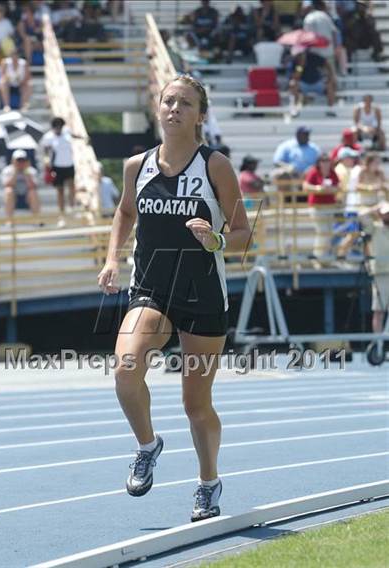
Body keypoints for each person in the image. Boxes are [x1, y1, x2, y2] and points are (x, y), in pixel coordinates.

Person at [97, 74, 252, 522]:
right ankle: (147, 446)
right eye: (168, 101)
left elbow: (243, 233)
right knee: (126, 371)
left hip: (202, 294)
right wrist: (112, 259)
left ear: (200, 115)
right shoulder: (136, 166)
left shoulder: (215, 166)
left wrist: (216, 242)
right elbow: (125, 212)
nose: (174, 109)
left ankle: (208, 483)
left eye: (185, 103)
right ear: (158, 108)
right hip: (151, 289)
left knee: (195, 405)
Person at [303, 152, 340, 261]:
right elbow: (305, 186)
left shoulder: (332, 173)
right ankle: (319, 257)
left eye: (327, 161)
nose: (325, 163)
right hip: (317, 207)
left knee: (328, 232)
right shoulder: (314, 172)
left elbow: (338, 186)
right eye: (323, 161)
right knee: (322, 231)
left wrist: (332, 189)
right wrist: (318, 189)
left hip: (330, 206)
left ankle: (324, 257)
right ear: (319, 162)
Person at [359, 202, 389, 333]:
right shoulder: (374, 228)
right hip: (380, 273)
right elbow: (361, 216)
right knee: (379, 311)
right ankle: (379, 345)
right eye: (385, 213)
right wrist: (375, 208)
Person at [41, 117, 76, 228]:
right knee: (60, 191)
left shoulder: (67, 133)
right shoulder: (49, 137)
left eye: (60, 127)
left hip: (69, 164)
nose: (58, 129)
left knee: (71, 186)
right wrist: (46, 159)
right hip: (57, 166)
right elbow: (46, 150)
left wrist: (83, 138)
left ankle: (72, 206)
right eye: (56, 127)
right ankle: (62, 213)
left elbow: (74, 136)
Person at [288, 47, 335, 116]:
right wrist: (301, 66)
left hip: (317, 83)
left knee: (330, 86)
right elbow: (295, 77)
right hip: (303, 85)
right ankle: (294, 109)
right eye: (298, 55)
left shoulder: (313, 56)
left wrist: (331, 76)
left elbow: (327, 63)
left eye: (300, 54)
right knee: (293, 84)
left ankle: (330, 110)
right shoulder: (294, 62)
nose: (299, 56)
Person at [2, 149, 40, 223]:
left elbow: (32, 186)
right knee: (8, 191)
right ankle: (9, 220)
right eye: (18, 160)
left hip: (27, 196)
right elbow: (7, 184)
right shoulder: (7, 170)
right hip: (14, 196)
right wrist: (15, 172)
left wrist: (26, 173)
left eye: (22, 160)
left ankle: (36, 219)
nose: (20, 163)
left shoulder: (31, 171)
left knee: (33, 192)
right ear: (13, 161)